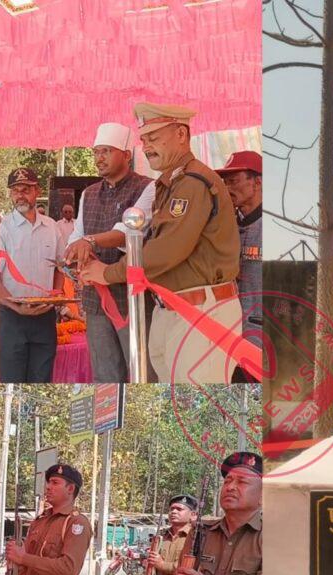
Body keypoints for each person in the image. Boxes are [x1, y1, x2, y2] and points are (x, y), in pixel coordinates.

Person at [79, 104, 242, 384]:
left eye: (154, 138)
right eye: (144, 140)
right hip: (172, 309)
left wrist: (106, 273)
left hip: (201, 312)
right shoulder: (169, 184)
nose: (147, 147)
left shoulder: (192, 183)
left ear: (181, 134)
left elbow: (166, 251)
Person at [65, 122, 152, 382]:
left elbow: (127, 231)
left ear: (126, 154)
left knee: (142, 373)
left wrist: (89, 243)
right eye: (96, 152)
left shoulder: (148, 188)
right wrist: (72, 254)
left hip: (133, 301)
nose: (98, 158)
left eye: (106, 151)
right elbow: (76, 234)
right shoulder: (89, 194)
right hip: (95, 301)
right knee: (105, 376)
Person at [0, 168, 64, 383]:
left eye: (26, 189)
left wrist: (55, 297)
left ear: (36, 191)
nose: (21, 194)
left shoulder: (52, 227)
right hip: (12, 316)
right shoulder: (0, 229)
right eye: (15, 190)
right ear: (10, 194)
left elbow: (60, 267)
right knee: (12, 380)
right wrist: (13, 305)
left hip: (45, 315)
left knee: (42, 379)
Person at [216, 151, 263, 382]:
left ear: (257, 181)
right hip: (229, 333)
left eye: (234, 181)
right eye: (225, 182)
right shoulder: (227, 225)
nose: (227, 188)